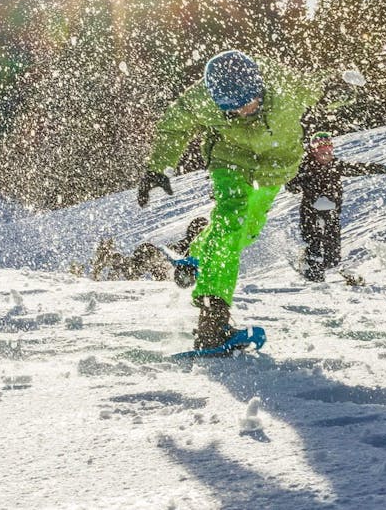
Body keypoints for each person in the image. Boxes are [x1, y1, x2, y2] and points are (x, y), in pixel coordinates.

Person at [138, 50, 357, 353]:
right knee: (231, 220)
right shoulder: (204, 97)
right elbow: (175, 125)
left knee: (248, 230)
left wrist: (337, 85)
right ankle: (213, 321)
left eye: (246, 103)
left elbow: (317, 86)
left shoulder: (283, 86)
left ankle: (197, 253)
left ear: (258, 88)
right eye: (230, 108)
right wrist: (157, 167)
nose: (241, 112)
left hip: (275, 165)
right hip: (229, 159)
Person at [286, 131, 386, 282]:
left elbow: (356, 168)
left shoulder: (335, 165)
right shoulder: (305, 166)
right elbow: (291, 183)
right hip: (311, 212)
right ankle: (312, 272)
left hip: (331, 211)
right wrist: (294, 184)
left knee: (332, 252)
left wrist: (378, 168)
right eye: (320, 148)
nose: (325, 152)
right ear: (312, 150)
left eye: (328, 147)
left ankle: (328, 266)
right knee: (314, 243)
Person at [87, 216, 210, 282]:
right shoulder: (191, 243)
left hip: (170, 268)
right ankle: (113, 260)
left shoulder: (202, 246)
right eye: (199, 230)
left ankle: (114, 260)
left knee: (143, 261)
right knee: (144, 256)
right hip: (166, 263)